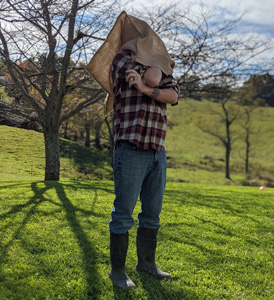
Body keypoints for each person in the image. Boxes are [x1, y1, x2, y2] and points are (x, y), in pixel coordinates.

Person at [108, 49, 179, 290]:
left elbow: (172, 95)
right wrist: (150, 80)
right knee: (123, 214)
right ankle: (117, 271)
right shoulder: (121, 59)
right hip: (131, 148)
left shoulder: (164, 67)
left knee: (152, 214)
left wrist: (147, 90)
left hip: (158, 151)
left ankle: (146, 265)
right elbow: (151, 77)